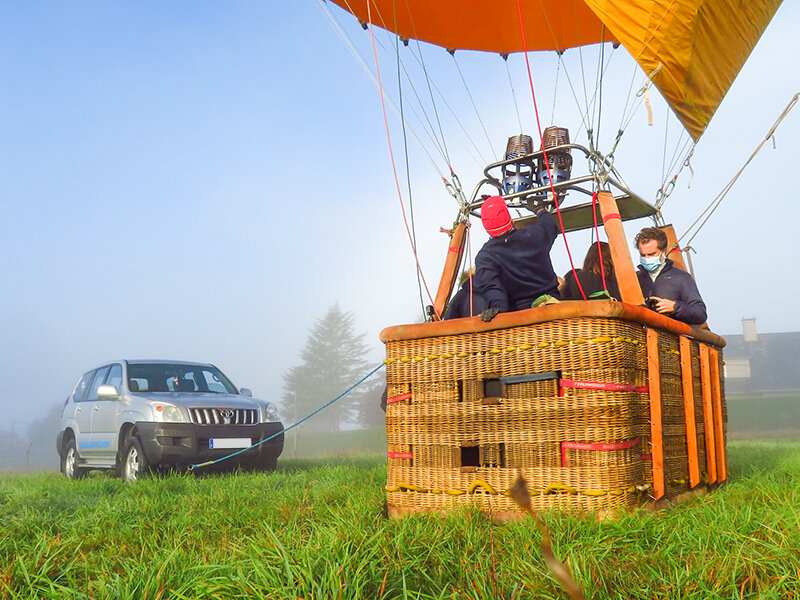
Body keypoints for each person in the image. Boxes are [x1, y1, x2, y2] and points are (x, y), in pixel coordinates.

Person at [473, 195, 560, 322]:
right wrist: (539, 209)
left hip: (521, 317)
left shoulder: (486, 256)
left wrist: (498, 307)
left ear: (487, 228)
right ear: (510, 219)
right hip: (553, 308)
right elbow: (550, 226)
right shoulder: (533, 235)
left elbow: (491, 286)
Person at [635, 227, 707, 324]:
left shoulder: (682, 278)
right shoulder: (635, 279)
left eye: (651, 254)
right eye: (643, 255)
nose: (647, 259)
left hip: (670, 337)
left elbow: (700, 314)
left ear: (663, 252)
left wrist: (675, 307)